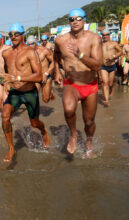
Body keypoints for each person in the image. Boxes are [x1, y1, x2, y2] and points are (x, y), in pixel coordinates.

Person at [54, 9, 102, 156]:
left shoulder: (94, 39)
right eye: (71, 19)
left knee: (89, 122)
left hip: (90, 85)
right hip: (71, 83)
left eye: (78, 18)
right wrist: (57, 70)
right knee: (68, 110)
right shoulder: (61, 40)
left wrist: (80, 55)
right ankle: (73, 134)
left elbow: (98, 66)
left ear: (84, 21)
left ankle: (88, 141)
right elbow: (56, 54)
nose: (75, 21)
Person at [1, 23, 50, 162]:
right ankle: (11, 148)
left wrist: (17, 78)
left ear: (22, 35)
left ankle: (44, 131)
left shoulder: (30, 52)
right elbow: (7, 71)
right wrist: (7, 82)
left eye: (16, 34)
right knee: (5, 116)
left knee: (34, 123)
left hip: (29, 93)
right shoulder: (6, 53)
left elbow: (39, 76)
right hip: (14, 93)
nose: (13, 37)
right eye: (10, 34)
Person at [28, 35, 55, 103]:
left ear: (36, 42)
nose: (30, 46)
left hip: (45, 76)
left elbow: (53, 62)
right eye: (29, 44)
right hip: (36, 77)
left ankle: (50, 91)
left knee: (46, 99)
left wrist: (47, 73)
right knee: (34, 98)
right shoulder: (27, 52)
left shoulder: (44, 50)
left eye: (32, 43)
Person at [101, 29, 123, 106]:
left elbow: (121, 52)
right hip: (103, 66)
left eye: (106, 34)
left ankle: (111, 90)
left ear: (109, 35)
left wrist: (114, 56)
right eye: (103, 35)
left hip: (112, 66)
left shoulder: (114, 43)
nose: (104, 36)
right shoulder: (100, 44)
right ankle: (106, 100)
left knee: (110, 83)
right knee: (105, 82)